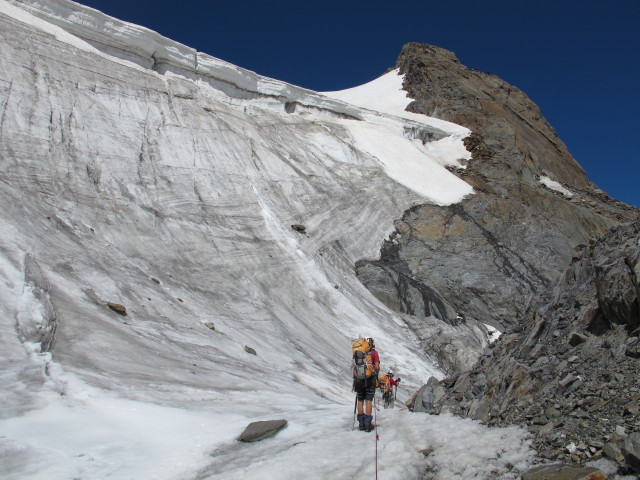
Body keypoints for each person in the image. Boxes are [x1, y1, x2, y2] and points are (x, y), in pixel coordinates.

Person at [353, 337, 379, 432]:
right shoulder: (374, 353)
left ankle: (361, 424)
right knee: (368, 400)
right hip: (369, 379)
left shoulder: (357, 352)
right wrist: (375, 372)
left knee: (360, 400)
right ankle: (368, 423)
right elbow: (376, 367)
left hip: (358, 379)